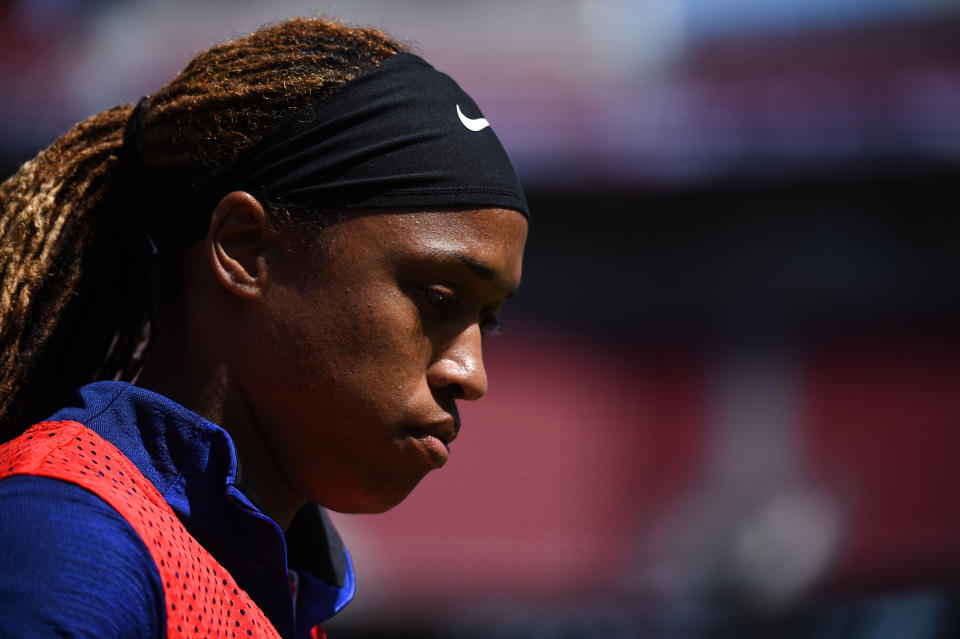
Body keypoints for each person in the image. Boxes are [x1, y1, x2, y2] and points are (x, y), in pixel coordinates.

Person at [0, 16, 528, 639]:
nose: (471, 375)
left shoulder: (270, 585)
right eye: (439, 298)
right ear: (245, 248)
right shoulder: (70, 541)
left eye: (485, 322)